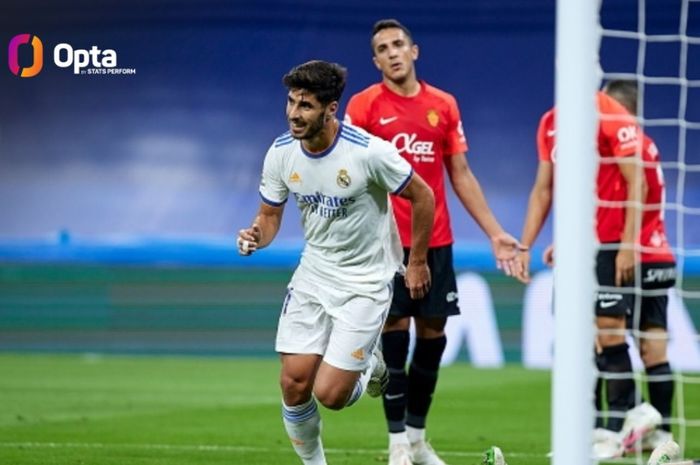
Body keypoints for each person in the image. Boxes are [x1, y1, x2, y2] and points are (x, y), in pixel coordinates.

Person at [237, 60, 436, 465]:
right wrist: (257, 235)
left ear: (330, 109)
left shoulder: (368, 153)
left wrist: (416, 262)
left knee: (331, 395)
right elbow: (270, 215)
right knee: (294, 384)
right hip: (314, 274)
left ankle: (373, 369)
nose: (294, 114)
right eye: (291, 102)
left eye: (305, 106)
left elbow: (423, 196)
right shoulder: (280, 154)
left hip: (366, 282)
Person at [345, 19, 524, 465]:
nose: (392, 52)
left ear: (415, 50)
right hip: (386, 246)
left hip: (436, 241)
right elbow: (347, 172)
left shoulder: (443, 105)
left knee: (433, 336)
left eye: (398, 44)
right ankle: (397, 445)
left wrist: (496, 232)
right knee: (394, 336)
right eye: (383, 48)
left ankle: (418, 439)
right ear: (376, 60)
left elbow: (460, 175)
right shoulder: (364, 107)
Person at [514, 90, 647, 458]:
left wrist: (628, 243)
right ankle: (593, 427)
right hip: (573, 250)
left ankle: (618, 424)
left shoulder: (609, 112)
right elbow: (544, 189)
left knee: (609, 332)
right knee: (580, 340)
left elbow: (637, 181)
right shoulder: (549, 122)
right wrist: (526, 244)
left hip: (608, 243)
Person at [603, 80, 676, 450]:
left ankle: (622, 423)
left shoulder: (623, 145)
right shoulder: (650, 145)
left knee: (605, 338)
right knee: (654, 350)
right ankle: (662, 435)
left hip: (632, 253)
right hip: (660, 253)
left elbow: (634, 194)